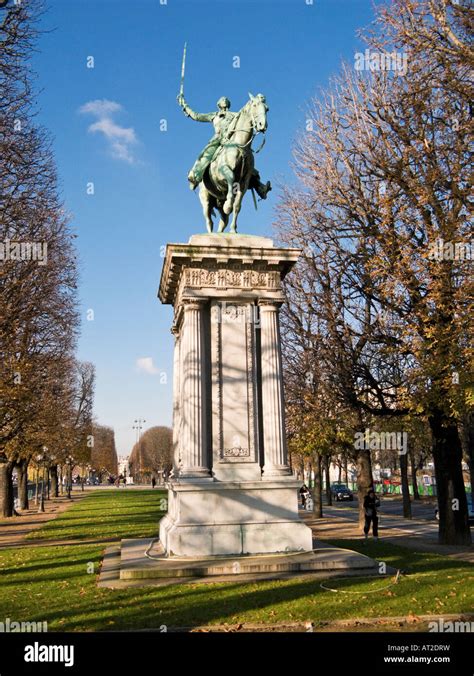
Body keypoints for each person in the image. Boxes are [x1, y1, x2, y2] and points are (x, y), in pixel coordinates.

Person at [177, 94, 271, 198]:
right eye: (222, 100)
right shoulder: (214, 115)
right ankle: (194, 176)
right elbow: (197, 116)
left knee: (247, 158)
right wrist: (185, 106)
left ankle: (259, 187)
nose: (224, 100)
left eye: (226, 99)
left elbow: (247, 116)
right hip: (218, 139)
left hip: (231, 139)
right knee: (206, 154)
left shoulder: (235, 114)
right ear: (219, 104)